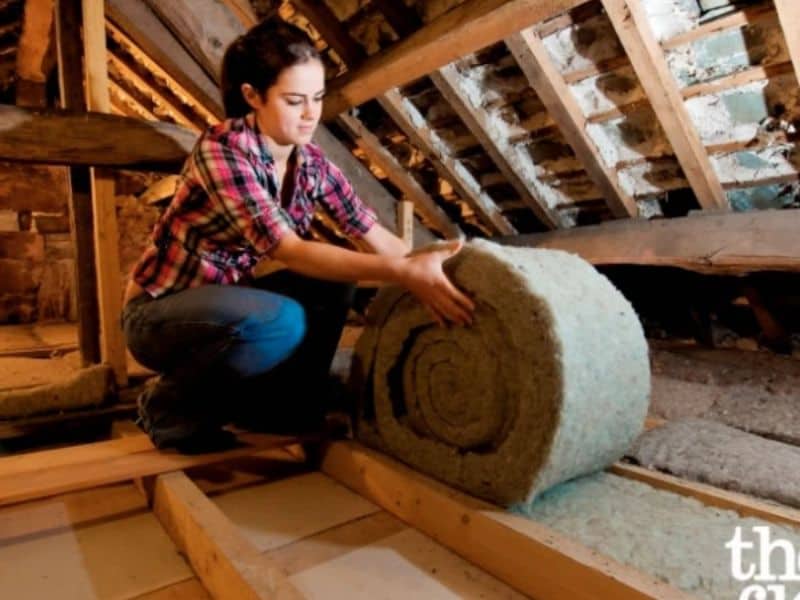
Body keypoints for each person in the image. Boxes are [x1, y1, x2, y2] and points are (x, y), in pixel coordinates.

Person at [122, 20, 475, 452]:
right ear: (252, 96)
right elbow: (288, 250)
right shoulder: (222, 152)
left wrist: (443, 271)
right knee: (279, 322)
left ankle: (284, 410)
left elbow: (370, 231)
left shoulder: (309, 163)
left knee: (333, 284)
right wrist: (402, 273)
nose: (311, 114)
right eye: (294, 101)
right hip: (158, 315)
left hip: (224, 305)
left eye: (318, 98)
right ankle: (168, 410)